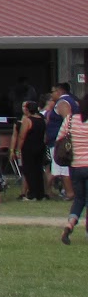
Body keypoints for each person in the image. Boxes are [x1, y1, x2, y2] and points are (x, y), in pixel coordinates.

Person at [58, 90, 88, 245]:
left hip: (75, 166)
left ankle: (69, 225)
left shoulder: (70, 120)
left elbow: (59, 139)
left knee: (79, 199)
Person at [46, 82, 80, 203]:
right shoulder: (73, 101)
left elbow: (68, 121)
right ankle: (49, 191)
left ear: (59, 91)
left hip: (60, 141)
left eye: (53, 92)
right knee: (58, 168)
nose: (51, 95)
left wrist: (66, 138)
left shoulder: (62, 103)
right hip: (60, 140)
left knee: (62, 168)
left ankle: (69, 193)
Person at [16, 101, 47, 201]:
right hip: (40, 147)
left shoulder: (27, 120)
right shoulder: (42, 120)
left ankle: (32, 193)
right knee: (38, 170)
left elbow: (22, 136)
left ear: (27, 110)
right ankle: (40, 193)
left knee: (29, 170)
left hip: (29, 148)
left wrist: (18, 149)